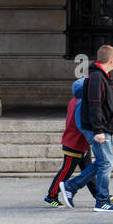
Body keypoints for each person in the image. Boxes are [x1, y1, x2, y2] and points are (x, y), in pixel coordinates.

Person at [58, 45, 113, 213]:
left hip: (103, 127)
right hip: (99, 129)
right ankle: (102, 201)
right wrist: (98, 130)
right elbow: (95, 105)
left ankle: (71, 186)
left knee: (103, 162)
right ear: (111, 60)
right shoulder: (96, 78)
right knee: (106, 163)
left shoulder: (101, 76)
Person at [44, 77, 99, 206]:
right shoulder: (81, 103)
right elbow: (81, 125)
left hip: (79, 143)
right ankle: (51, 196)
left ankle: (100, 195)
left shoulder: (75, 101)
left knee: (88, 172)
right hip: (74, 143)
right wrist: (91, 138)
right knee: (66, 172)